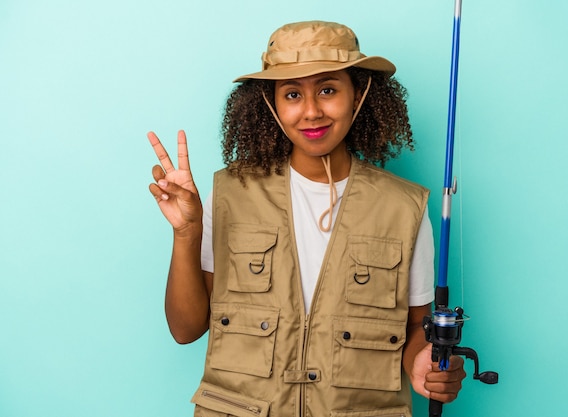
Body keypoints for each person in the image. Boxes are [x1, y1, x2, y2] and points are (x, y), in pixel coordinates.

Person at [148, 20, 465, 417]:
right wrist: (186, 233)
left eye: (328, 90)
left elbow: (417, 328)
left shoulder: (404, 208)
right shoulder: (230, 194)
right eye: (293, 94)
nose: (311, 111)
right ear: (271, 104)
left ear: (359, 94)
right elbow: (185, 329)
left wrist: (423, 364)